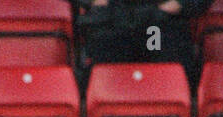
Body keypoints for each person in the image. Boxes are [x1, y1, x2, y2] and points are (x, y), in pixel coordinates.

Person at [76, 0, 209, 85]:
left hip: (161, 23)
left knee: (167, 78)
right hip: (112, 21)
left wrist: (178, 4)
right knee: (106, 82)